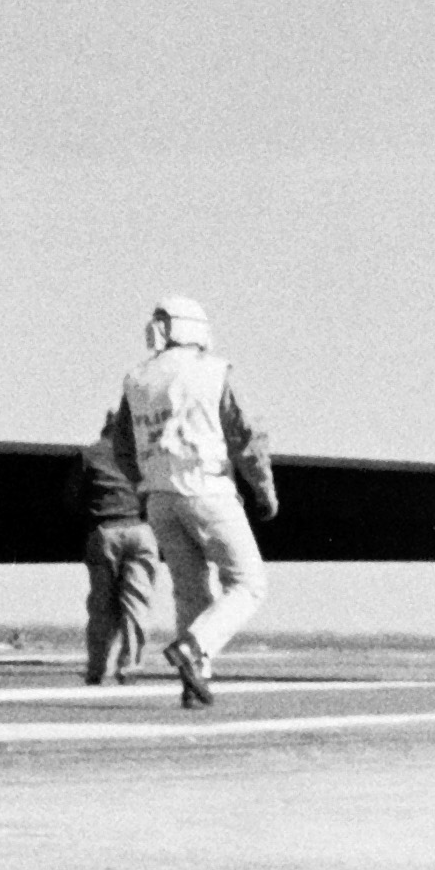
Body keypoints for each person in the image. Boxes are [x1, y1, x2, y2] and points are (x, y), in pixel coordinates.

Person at [102, 295, 275, 709]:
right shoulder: (212, 371)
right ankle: (194, 647)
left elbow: (123, 447)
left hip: (160, 500)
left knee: (191, 591)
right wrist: (264, 488)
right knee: (248, 584)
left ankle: (194, 682)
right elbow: (245, 437)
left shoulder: (136, 380)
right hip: (208, 491)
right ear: (194, 328)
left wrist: (148, 480)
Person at [67, 435, 162, 684]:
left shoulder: (89, 454)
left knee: (102, 604)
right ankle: (129, 665)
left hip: (105, 530)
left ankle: (97, 669)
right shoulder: (144, 452)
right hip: (140, 530)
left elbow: (72, 497)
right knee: (137, 603)